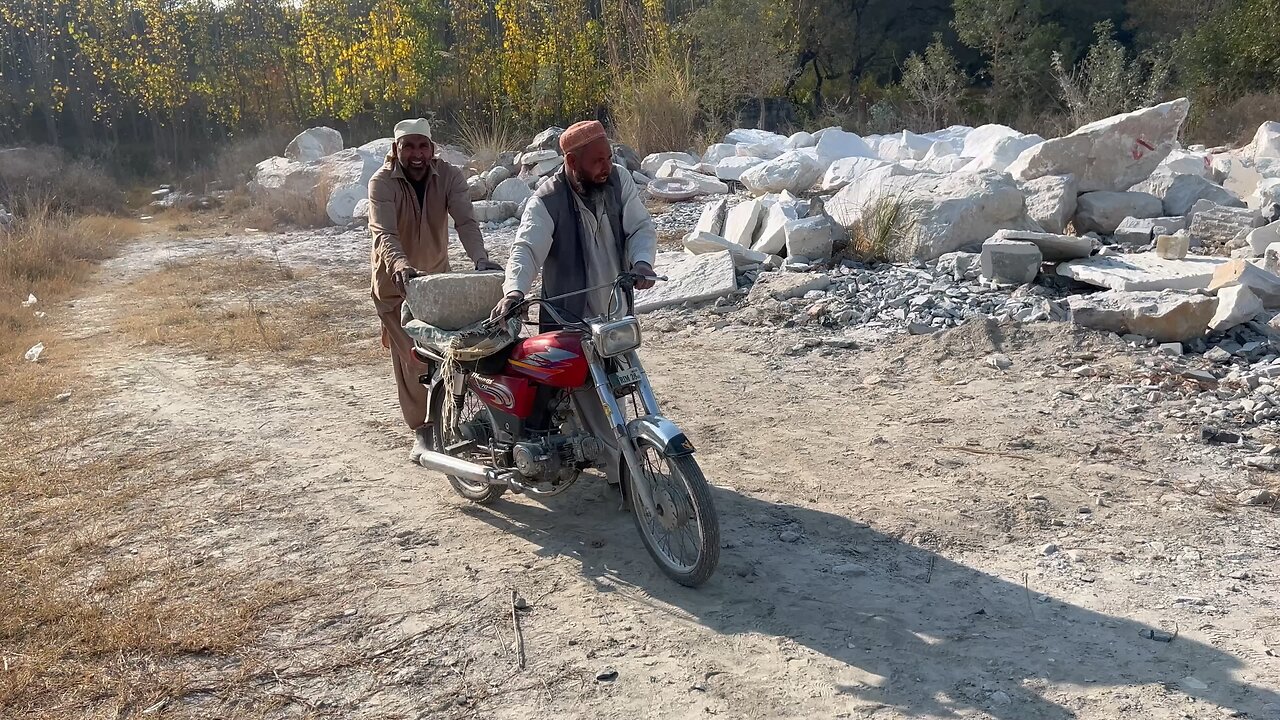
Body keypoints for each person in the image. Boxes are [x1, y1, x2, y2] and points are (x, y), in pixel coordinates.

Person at [491, 120, 658, 484]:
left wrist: (642, 261)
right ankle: (623, 475)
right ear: (571, 160)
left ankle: (623, 462)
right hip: (571, 319)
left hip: (615, 313)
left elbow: (640, 227)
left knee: (623, 385)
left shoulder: (619, 182)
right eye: (596, 161)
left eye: (608, 158)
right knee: (587, 394)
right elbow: (526, 249)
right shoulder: (546, 200)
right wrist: (514, 291)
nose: (605, 166)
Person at [368, 117, 502, 462]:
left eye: (422, 146)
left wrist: (481, 259)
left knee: (455, 353)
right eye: (408, 146)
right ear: (396, 150)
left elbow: (466, 221)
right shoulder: (381, 182)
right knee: (414, 360)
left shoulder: (450, 176)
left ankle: (454, 417)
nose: (416, 154)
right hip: (395, 287)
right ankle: (422, 433)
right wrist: (399, 266)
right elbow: (384, 233)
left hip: (438, 286)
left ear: (432, 148)